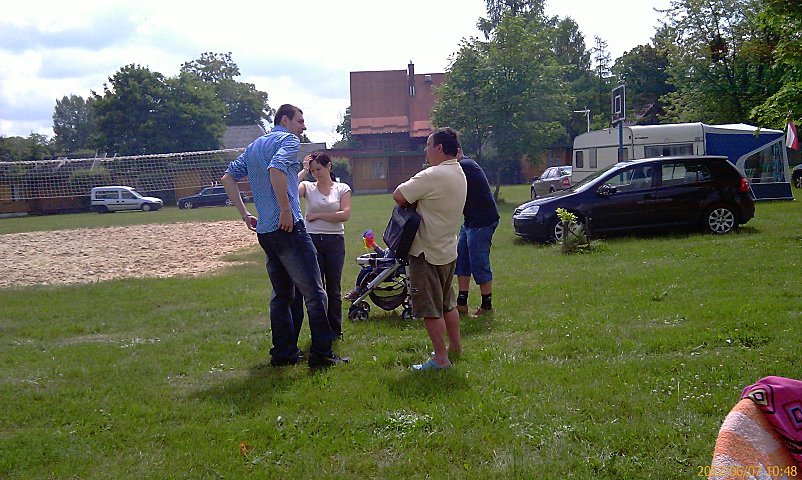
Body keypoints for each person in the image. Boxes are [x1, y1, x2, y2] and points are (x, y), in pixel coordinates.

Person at [219, 104, 347, 369]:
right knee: (315, 292)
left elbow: (227, 178)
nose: (303, 126)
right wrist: (286, 210)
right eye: (300, 121)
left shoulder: (254, 146)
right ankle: (322, 354)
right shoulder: (288, 141)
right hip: (289, 228)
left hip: (265, 231)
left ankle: (283, 352)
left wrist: (245, 214)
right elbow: (276, 169)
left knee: (282, 296)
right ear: (285, 120)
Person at [392, 127, 467, 370]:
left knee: (430, 309)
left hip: (426, 252)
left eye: (428, 145)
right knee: (447, 304)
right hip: (447, 248)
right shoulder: (459, 172)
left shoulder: (432, 175)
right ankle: (455, 347)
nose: (426, 150)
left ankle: (440, 359)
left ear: (439, 148)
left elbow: (399, 195)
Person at [296, 151, 351, 339]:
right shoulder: (308, 187)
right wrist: (303, 170)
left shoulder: (342, 188)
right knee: (316, 290)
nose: (316, 174)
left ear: (329, 166)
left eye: (318, 169)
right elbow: (290, 190)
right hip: (311, 241)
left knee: (333, 289)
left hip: (335, 241)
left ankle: (335, 331)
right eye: (312, 170)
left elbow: (344, 215)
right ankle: (320, 333)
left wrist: (317, 215)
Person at [455, 150, 499, 316]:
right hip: (470, 221)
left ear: (458, 150)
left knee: (479, 262)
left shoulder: (464, 165)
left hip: (483, 221)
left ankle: (487, 306)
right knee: (462, 259)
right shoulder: (458, 166)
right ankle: (461, 304)